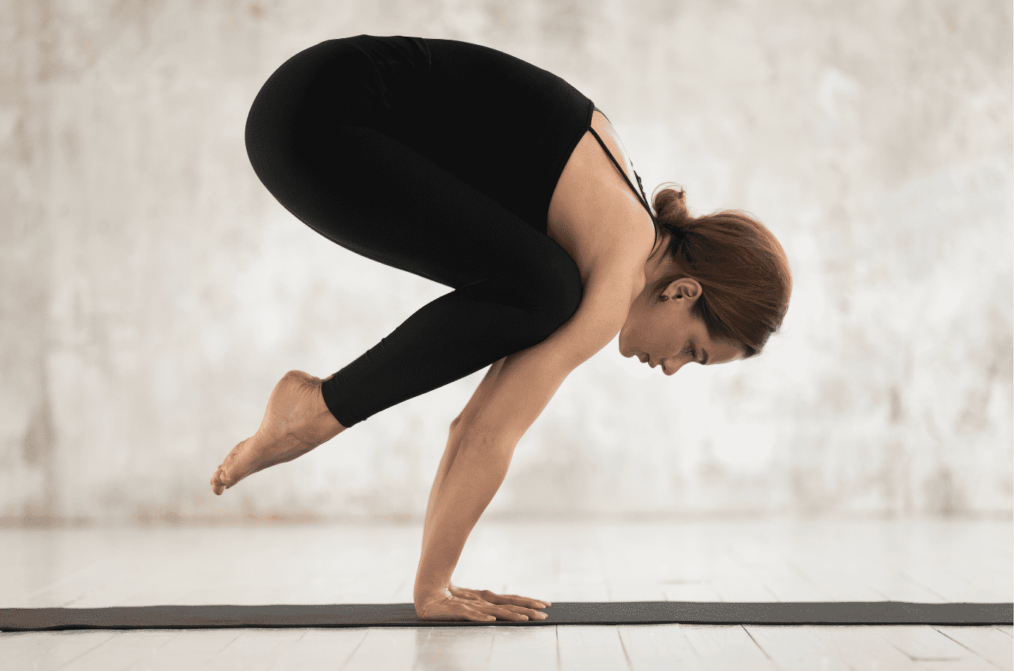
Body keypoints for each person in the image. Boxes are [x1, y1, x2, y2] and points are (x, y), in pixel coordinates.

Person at [209, 34, 792, 622]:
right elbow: (489, 431)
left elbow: (475, 426)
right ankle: (314, 410)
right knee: (548, 291)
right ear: (683, 291)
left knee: (546, 286)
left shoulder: (614, 224)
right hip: (317, 121)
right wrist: (433, 589)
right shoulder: (618, 264)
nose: (671, 368)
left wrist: (435, 584)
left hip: (309, 107)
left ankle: (317, 407)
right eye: (693, 350)